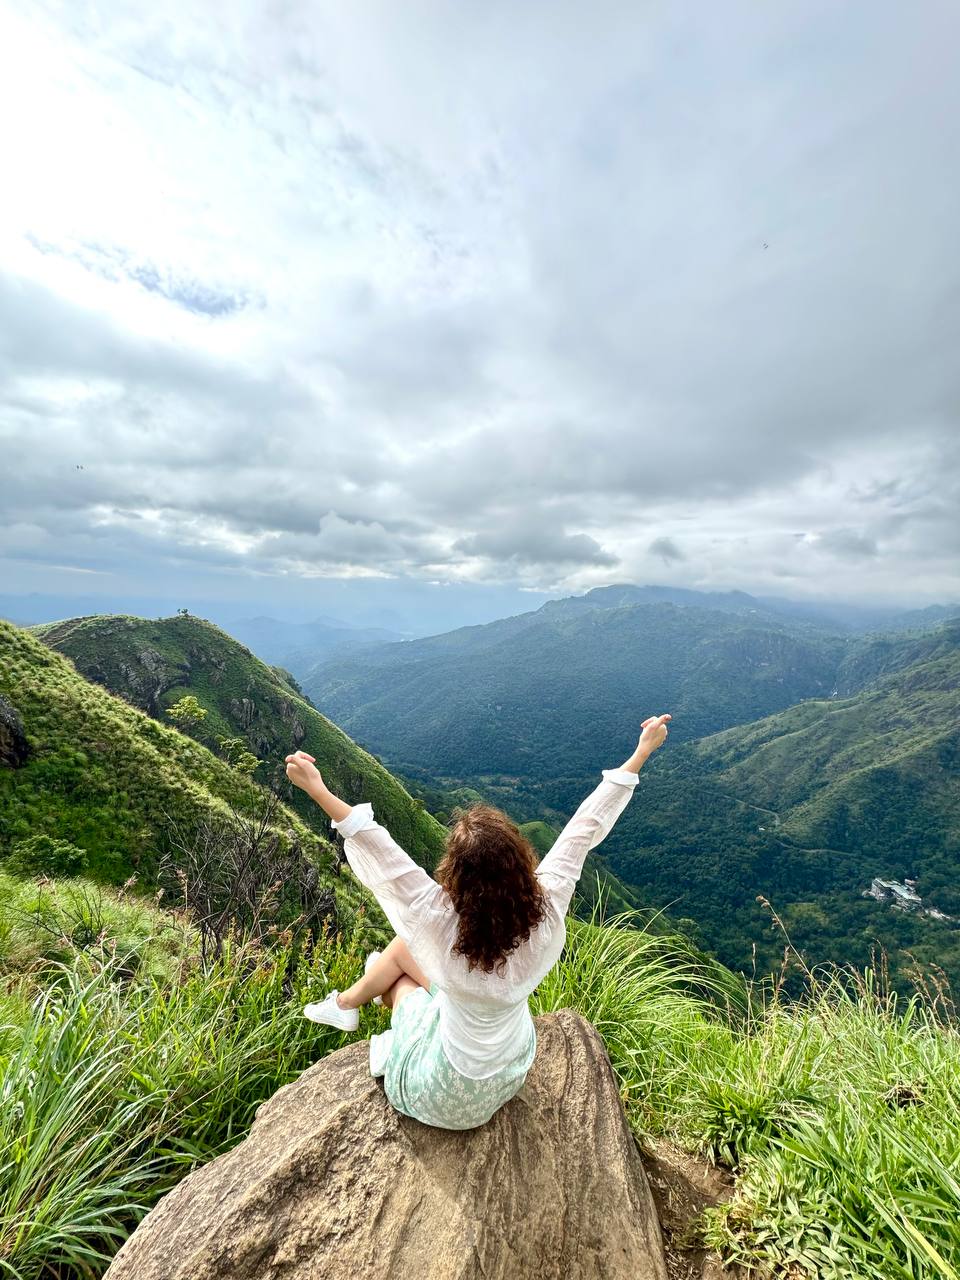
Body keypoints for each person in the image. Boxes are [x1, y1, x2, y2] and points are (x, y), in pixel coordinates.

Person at [284, 712, 671, 1131]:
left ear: (456, 873)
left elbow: (377, 846)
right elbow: (585, 826)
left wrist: (317, 789)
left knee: (399, 978)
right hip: (508, 1072)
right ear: (520, 862)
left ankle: (350, 1003)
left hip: (444, 1093)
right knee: (403, 954)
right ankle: (351, 1001)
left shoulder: (437, 920)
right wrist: (641, 752)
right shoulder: (546, 909)